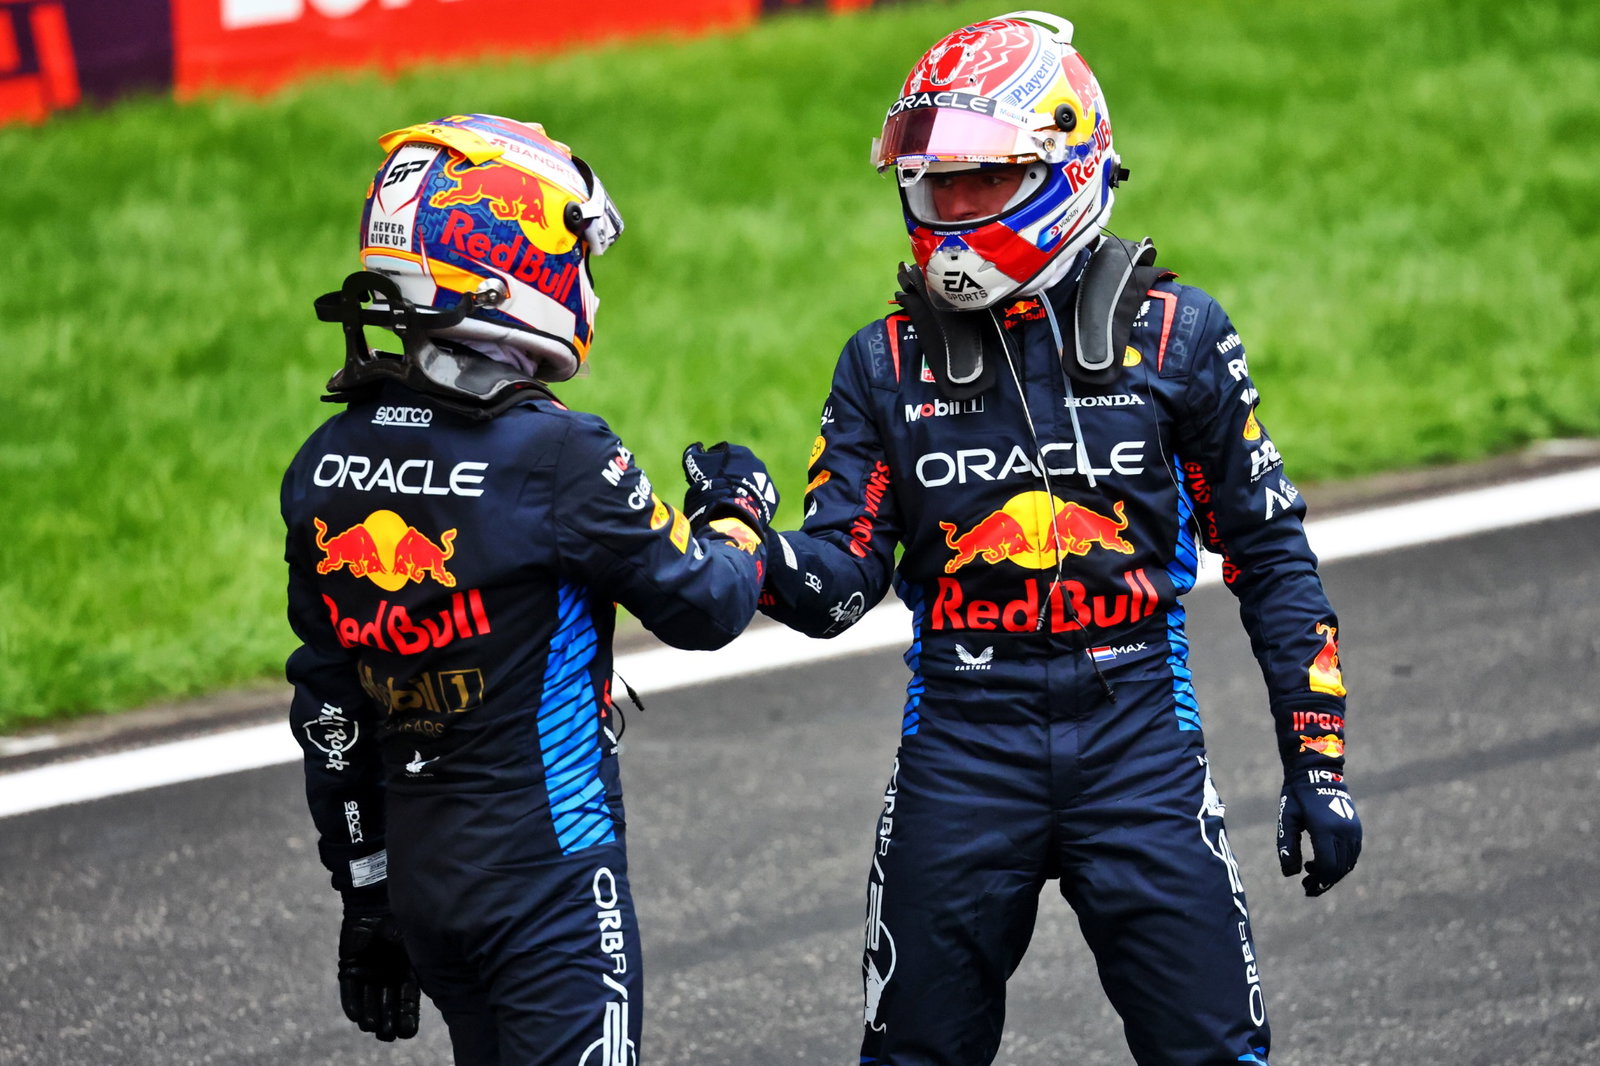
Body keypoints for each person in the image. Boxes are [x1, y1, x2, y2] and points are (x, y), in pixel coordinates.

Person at [757, 13, 1361, 1066]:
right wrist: (739, 551)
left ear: (1067, 168)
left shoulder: (1180, 337)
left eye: (982, 181)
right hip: (960, 742)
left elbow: (1269, 554)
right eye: (935, 185)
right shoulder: (880, 363)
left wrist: (1317, 756)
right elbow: (841, 579)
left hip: (1140, 738)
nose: (953, 210)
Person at [281, 113, 778, 1065]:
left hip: (422, 888)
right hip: (548, 886)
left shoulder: (325, 460)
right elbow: (707, 604)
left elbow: (330, 708)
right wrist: (736, 513)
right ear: (510, 260)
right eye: (574, 255)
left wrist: (366, 894)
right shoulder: (559, 455)